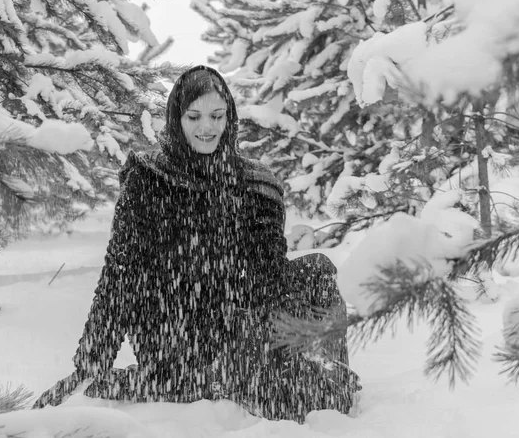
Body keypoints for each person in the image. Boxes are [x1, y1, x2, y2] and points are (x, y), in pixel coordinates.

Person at [33, 65, 360, 422]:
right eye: (194, 116)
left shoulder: (254, 183)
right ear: (177, 118)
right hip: (173, 335)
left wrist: (276, 324)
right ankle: (216, 379)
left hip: (235, 323)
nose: (207, 128)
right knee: (285, 392)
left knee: (316, 271)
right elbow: (119, 278)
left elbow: (269, 278)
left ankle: (317, 369)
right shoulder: (149, 179)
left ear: (229, 118)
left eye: (217, 116)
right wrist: (90, 364)